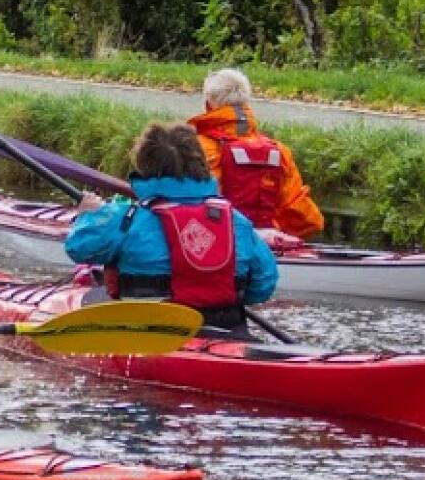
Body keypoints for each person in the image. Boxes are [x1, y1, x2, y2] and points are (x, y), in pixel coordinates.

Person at [65, 122, 278, 338]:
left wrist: (89, 214)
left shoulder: (125, 218)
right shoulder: (237, 222)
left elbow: (78, 248)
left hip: (147, 332)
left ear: (144, 166)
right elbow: (264, 284)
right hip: (225, 329)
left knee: (95, 290)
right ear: (200, 165)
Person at [190, 67, 326, 241]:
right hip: (266, 247)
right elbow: (304, 216)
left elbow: (190, 207)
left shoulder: (195, 148)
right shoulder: (279, 152)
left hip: (217, 247)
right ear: (246, 103)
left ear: (208, 105)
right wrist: (275, 233)